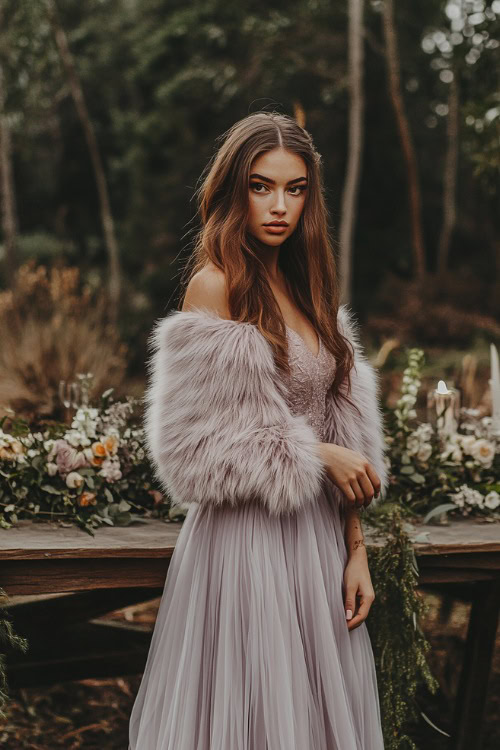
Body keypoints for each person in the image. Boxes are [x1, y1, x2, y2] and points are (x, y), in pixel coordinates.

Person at [128, 111, 388, 750]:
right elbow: (190, 448)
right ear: (233, 190)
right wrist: (315, 453)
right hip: (244, 547)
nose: (279, 206)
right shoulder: (215, 286)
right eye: (261, 186)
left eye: (295, 189)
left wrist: (355, 549)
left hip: (317, 545)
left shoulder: (312, 296)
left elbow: (341, 431)